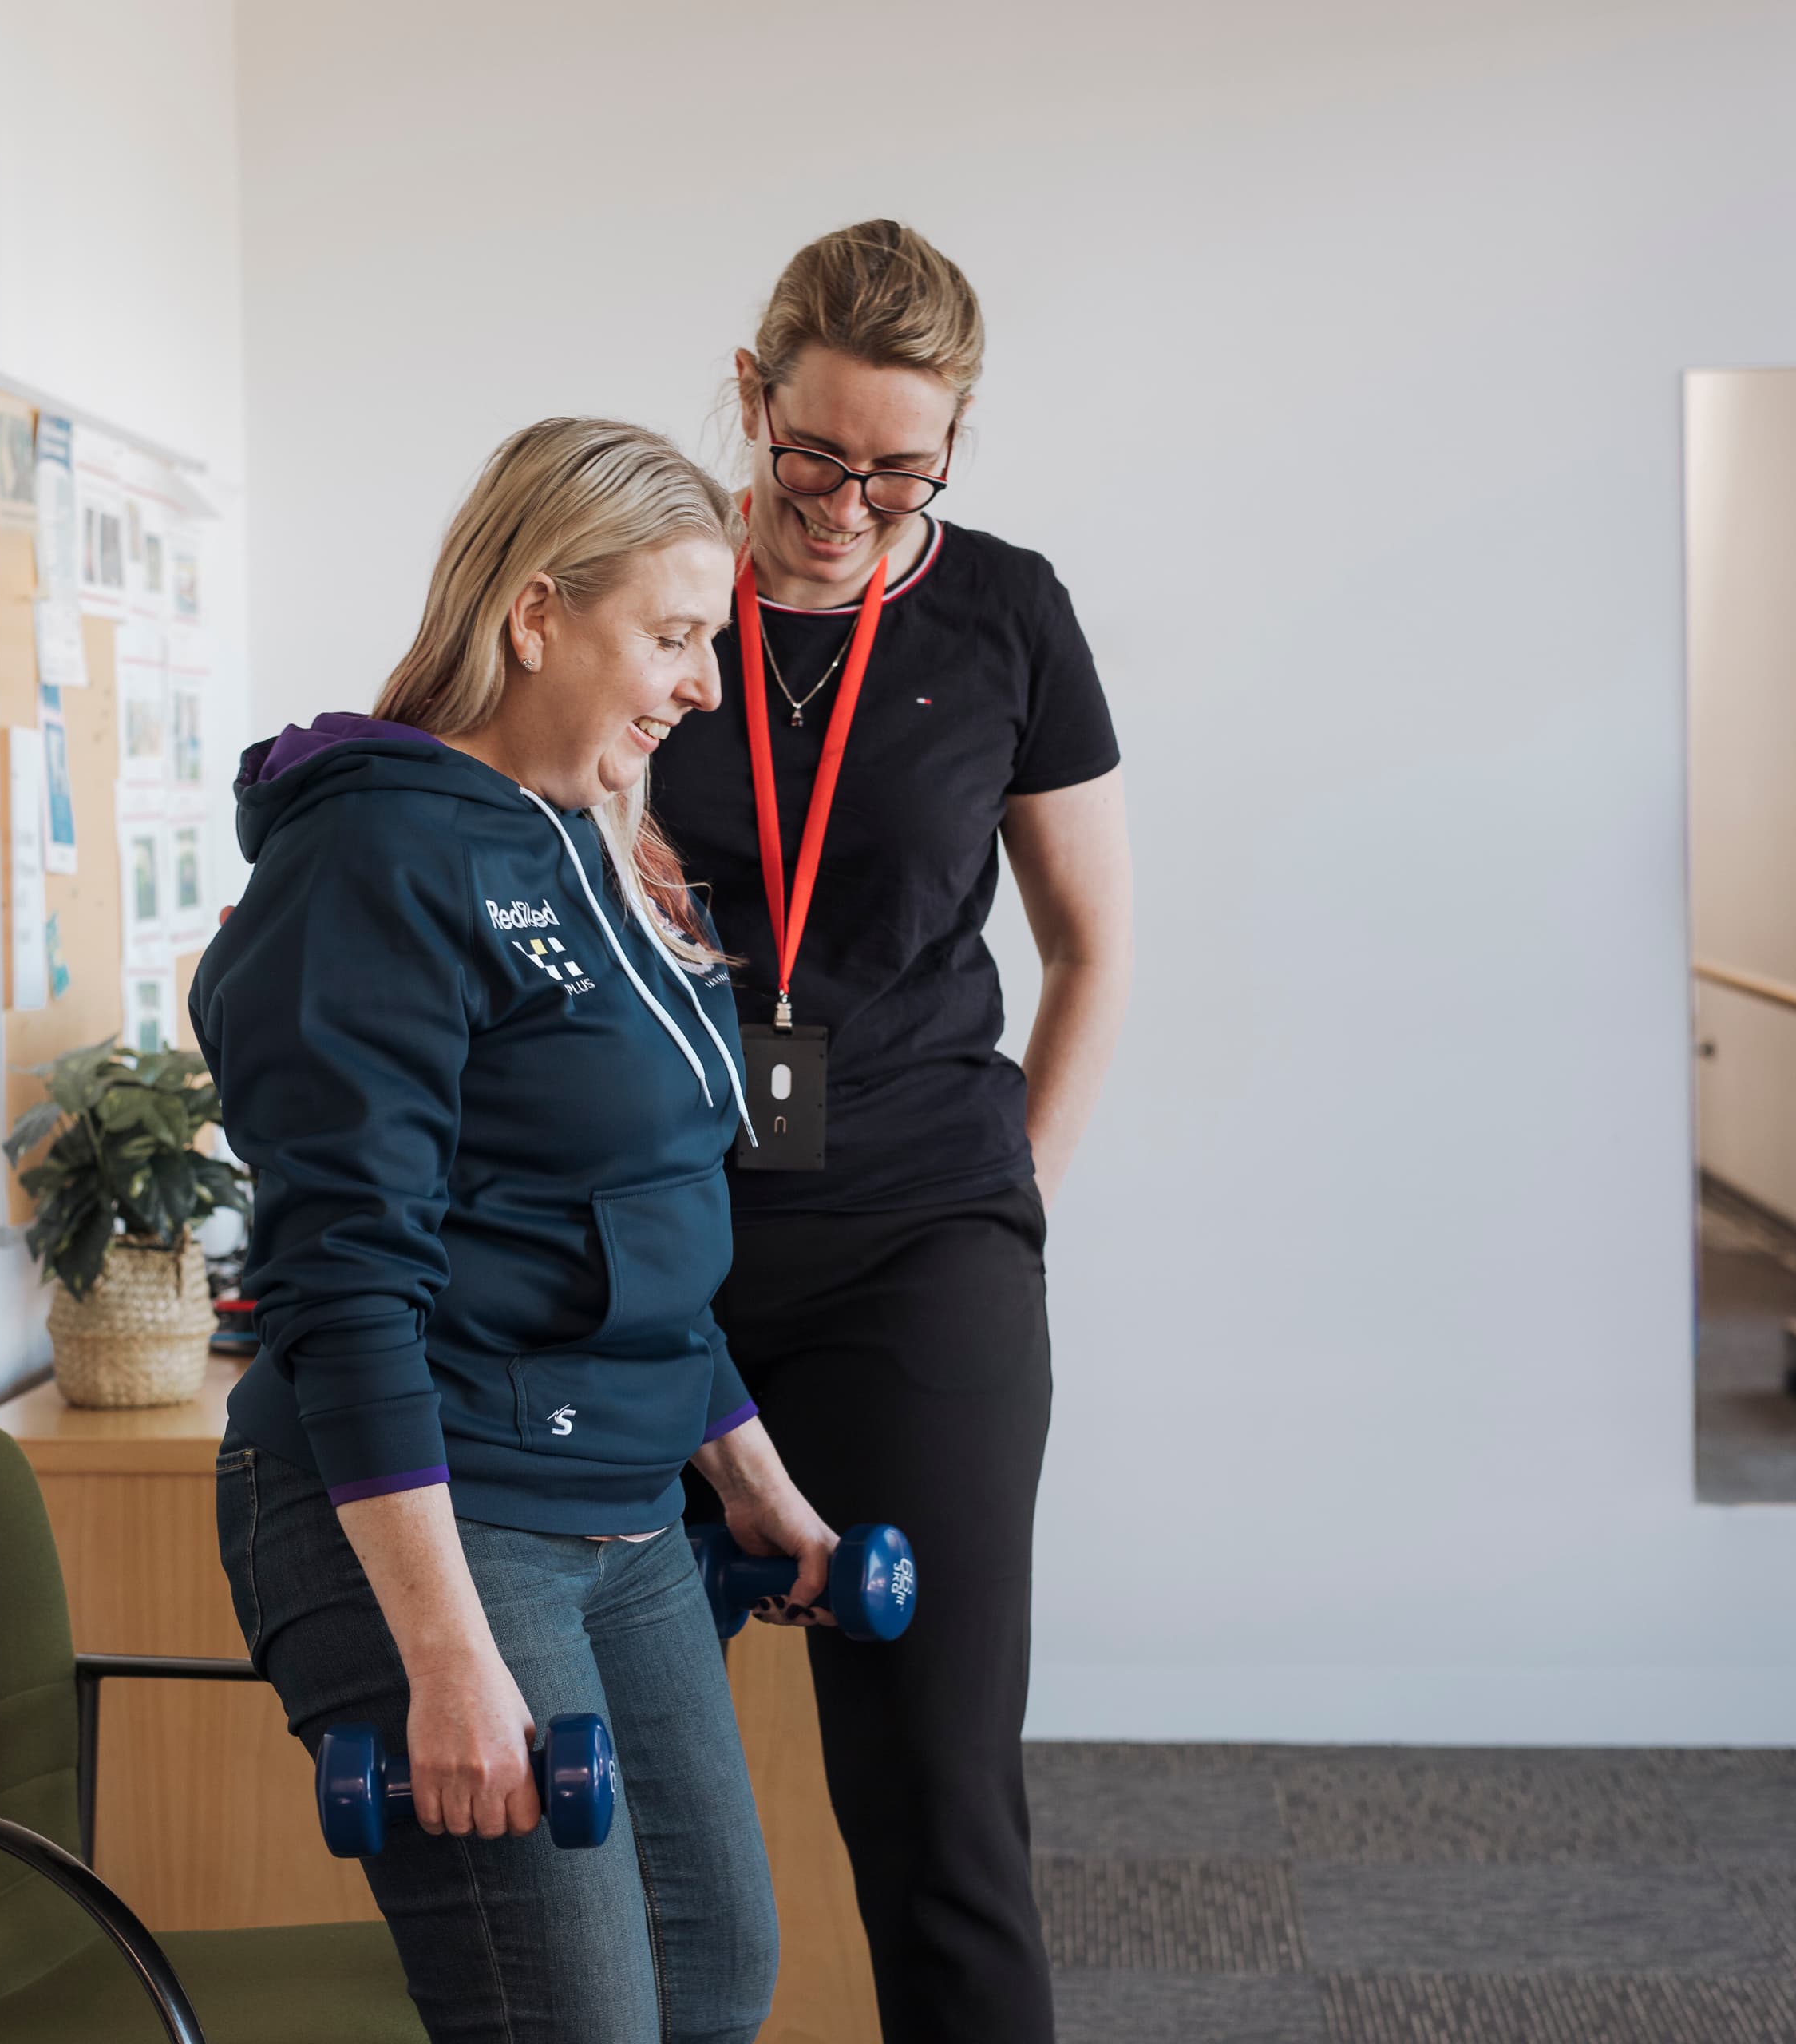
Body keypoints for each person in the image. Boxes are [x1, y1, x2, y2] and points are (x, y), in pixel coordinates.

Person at [192, 418, 842, 2044]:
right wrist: (445, 1654)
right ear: (536, 613)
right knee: (572, 2022)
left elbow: (634, 1225)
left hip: (617, 1505)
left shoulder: (591, 844)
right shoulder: (375, 851)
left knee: (716, 1971)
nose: (704, 685)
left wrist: (754, 1485)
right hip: (439, 1510)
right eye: (677, 636)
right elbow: (343, 1287)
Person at [650, 220, 1136, 2042]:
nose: (849, 500)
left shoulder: (1007, 611)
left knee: (936, 1798)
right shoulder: (646, 577)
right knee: (609, 1787)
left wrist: (1016, 1199)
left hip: (918, 1235)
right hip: (657, 1237)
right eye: (814, 453)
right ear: (753, 394)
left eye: (901, 467)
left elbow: (1094, 941)